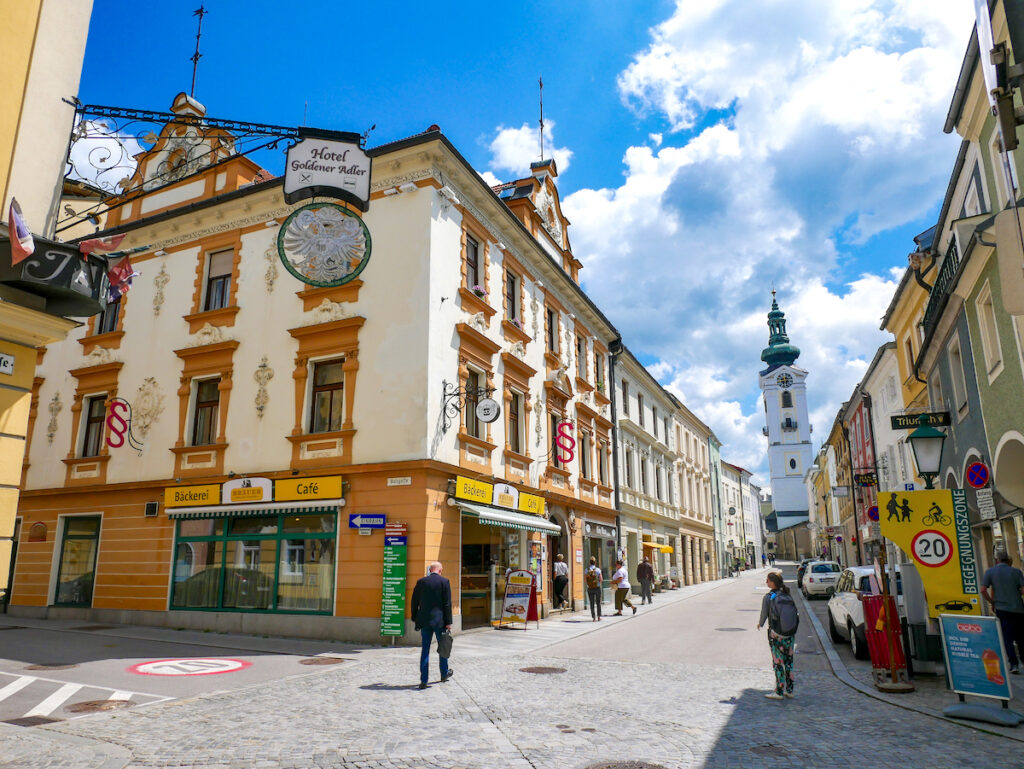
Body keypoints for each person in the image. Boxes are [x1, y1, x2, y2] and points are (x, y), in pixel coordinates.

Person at [411, 561, 453, 690]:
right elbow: (447, 604)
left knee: (425, 650)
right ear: (440, 570)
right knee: (443, 647)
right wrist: (448, 622)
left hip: (425, 621)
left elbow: (414, 601)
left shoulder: (421, 582)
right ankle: (444, 673)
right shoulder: (444, 582)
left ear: (430, 570)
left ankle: (424, 680)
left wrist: (415, 618)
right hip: (439, 621)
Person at [981, 551, 1024, 674]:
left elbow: (983, 590)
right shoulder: (1016, 572)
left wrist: (992, 602)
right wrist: (1016, 595)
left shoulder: (990, 572)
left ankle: (1014, 664)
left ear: (997, 560)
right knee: (1021, 637)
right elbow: (1022, 588)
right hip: (1018, 608)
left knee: (1007, 638)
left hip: (1002, 609)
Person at [757, 572, 798, 699]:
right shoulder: (786, 593)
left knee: (778, 662)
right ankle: (790, 690)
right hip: (790, 634)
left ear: (772, 583)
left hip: (776, 634)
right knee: (789, 661)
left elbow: (764, 614)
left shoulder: (769, 596)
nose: (766, 582)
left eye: (767, 580)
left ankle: (779, 691)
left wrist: (760, 624)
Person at [584, 557, 603, 621]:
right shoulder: (598, 570)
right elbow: (601, 579)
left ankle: (593, 618)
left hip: (590, 588)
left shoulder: (587, 570)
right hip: (597, 588)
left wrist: (589, 584)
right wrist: (597, 583)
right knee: (598, 603)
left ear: (590, 562)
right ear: (595, 562)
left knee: (591, 603)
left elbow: (585, 580)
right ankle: (599, 617)